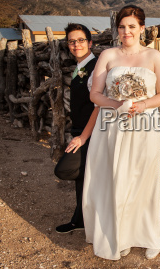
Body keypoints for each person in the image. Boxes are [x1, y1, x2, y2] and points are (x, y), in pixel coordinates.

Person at [82, 5, 160, 260]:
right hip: (111, 125)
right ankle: (121, 235)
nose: (126, 31)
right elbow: (94, 94)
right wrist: (118, 105)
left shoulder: (154, 56)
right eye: (122, 26)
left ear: (142, 28)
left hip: (144, 126)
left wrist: (142, 104)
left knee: (142, 179)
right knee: (115, 178)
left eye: (132, 26)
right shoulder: (108, 55)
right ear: (117, 29)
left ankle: (148, 234)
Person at [54, 23, 99, 233]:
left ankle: (95, 215)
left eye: (81, 40)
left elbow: (98, 106)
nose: (76, 44)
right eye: (72, 41)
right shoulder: (79, 67)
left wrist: (83, 136)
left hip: (91, 132)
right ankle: (79, 219)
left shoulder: (96, 67)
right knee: (81, 178)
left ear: (90, 43)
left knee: (64, 169)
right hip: (79, 130)